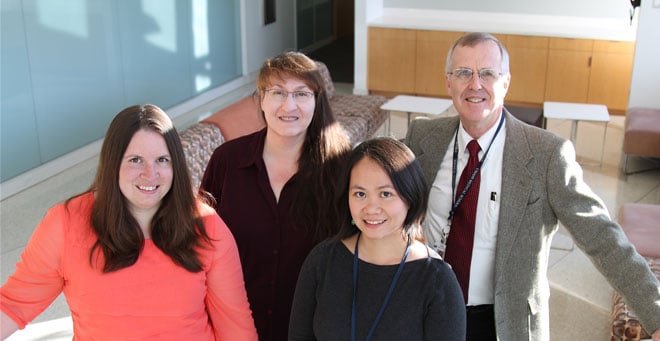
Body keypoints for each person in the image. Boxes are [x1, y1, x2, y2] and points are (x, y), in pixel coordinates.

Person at [404, 32, 660, 340]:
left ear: (506, 83)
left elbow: (602, 237)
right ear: (448, 82)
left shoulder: (546, 154)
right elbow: (375, 186)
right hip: (430, 311)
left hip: (503, 322)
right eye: (463, 73)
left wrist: (656, 314)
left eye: (487, 73)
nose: (475, 84)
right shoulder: (423, 138)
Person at [0, 104, 258, 340]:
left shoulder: (207, 226)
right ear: (113, 164)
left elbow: (235, 326)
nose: (150, 173)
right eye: (135, 160)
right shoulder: (65, 224)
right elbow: (13, 305)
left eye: (162, 160)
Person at [200, 51, 352, 341]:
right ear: (260, 98)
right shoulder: (227, 161)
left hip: (313, 328)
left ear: (317, 100)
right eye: (277, 92)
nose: (289, 105)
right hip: (236, 326)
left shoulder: (342, 169)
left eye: (301, 93)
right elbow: (201, 241)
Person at [288, 137, 466, 340]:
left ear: (410, 197)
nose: (371, 209)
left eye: (385, 194)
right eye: (360, 194)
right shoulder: (321, 262)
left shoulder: (438, 281)